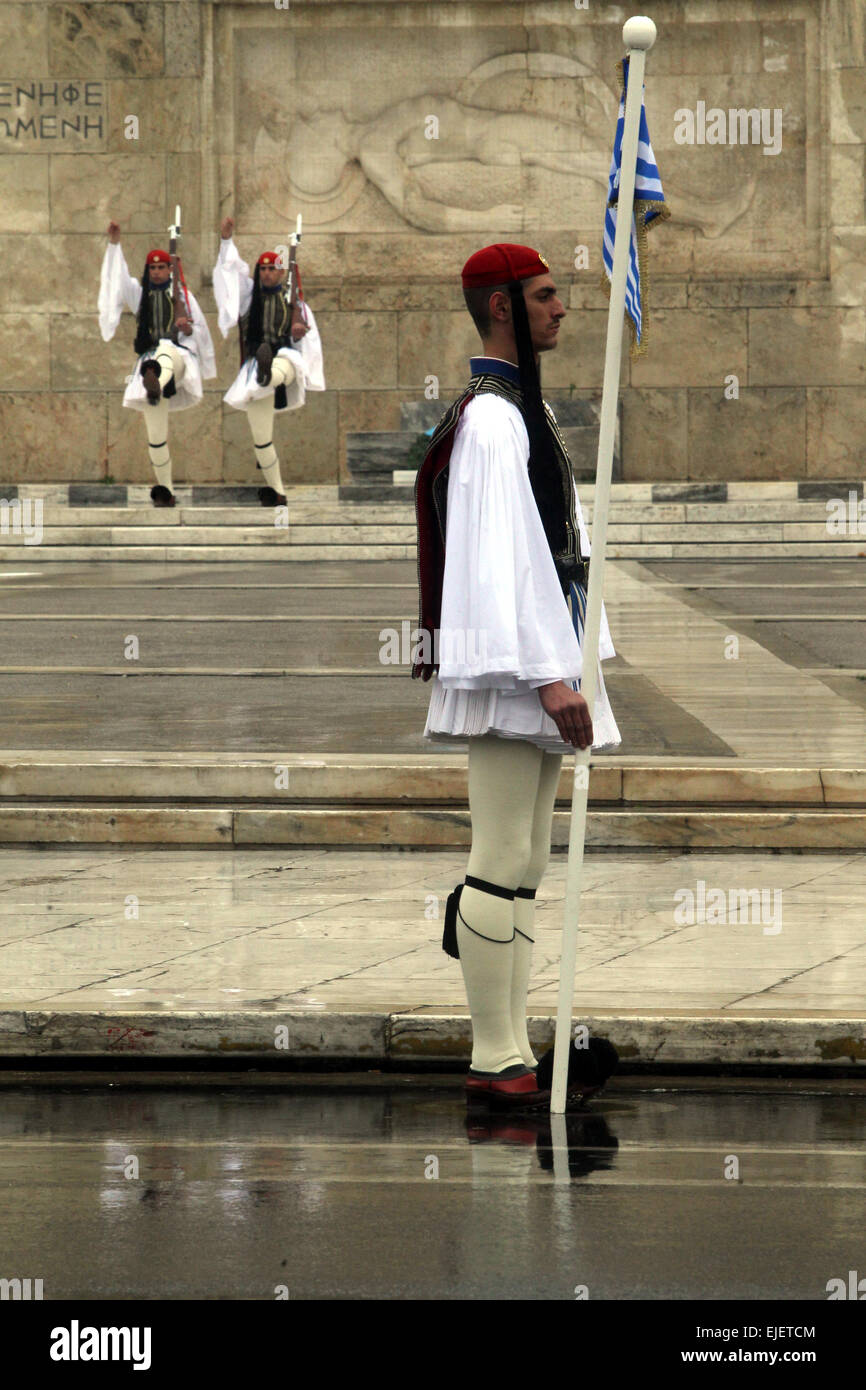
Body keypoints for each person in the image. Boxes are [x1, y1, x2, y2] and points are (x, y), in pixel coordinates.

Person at [413, 243, 621, 1109]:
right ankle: (496, 1058)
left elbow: (556, 551)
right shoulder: (495, 420)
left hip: (539, 660)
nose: (561, 309)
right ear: (503, 307)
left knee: (526, 858)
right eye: (544, 297)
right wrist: (546, 678)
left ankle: (516, 1048)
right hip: (513, 668)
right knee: (499, 855)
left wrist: (579, 660)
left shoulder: (516, 410)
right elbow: (499, 562)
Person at [98, 221, 216, 507]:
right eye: (153, 268)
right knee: (156, 437)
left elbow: (201, 332)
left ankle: (155, 380)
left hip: (178, 359)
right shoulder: (141, 296)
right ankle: (166, 490)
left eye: (162, 267)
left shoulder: (184, 296)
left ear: (170, 270)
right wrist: (114, 244)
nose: (157, 272)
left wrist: (186, 327)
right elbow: (119, 279)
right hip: (149, 360)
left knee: (165, 353)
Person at [213, 216, 325, 507]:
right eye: (262, 269)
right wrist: (226, 241)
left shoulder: (296, 303)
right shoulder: (249, 297)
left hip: (285, 360)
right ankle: (278, 492)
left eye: (271, 269)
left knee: (283, 362)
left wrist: (299, 332)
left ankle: (268, 374)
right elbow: (231, 273)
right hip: (254, 368)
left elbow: (310, 345)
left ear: (281, 272)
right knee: (261, 438)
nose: (265, 274)